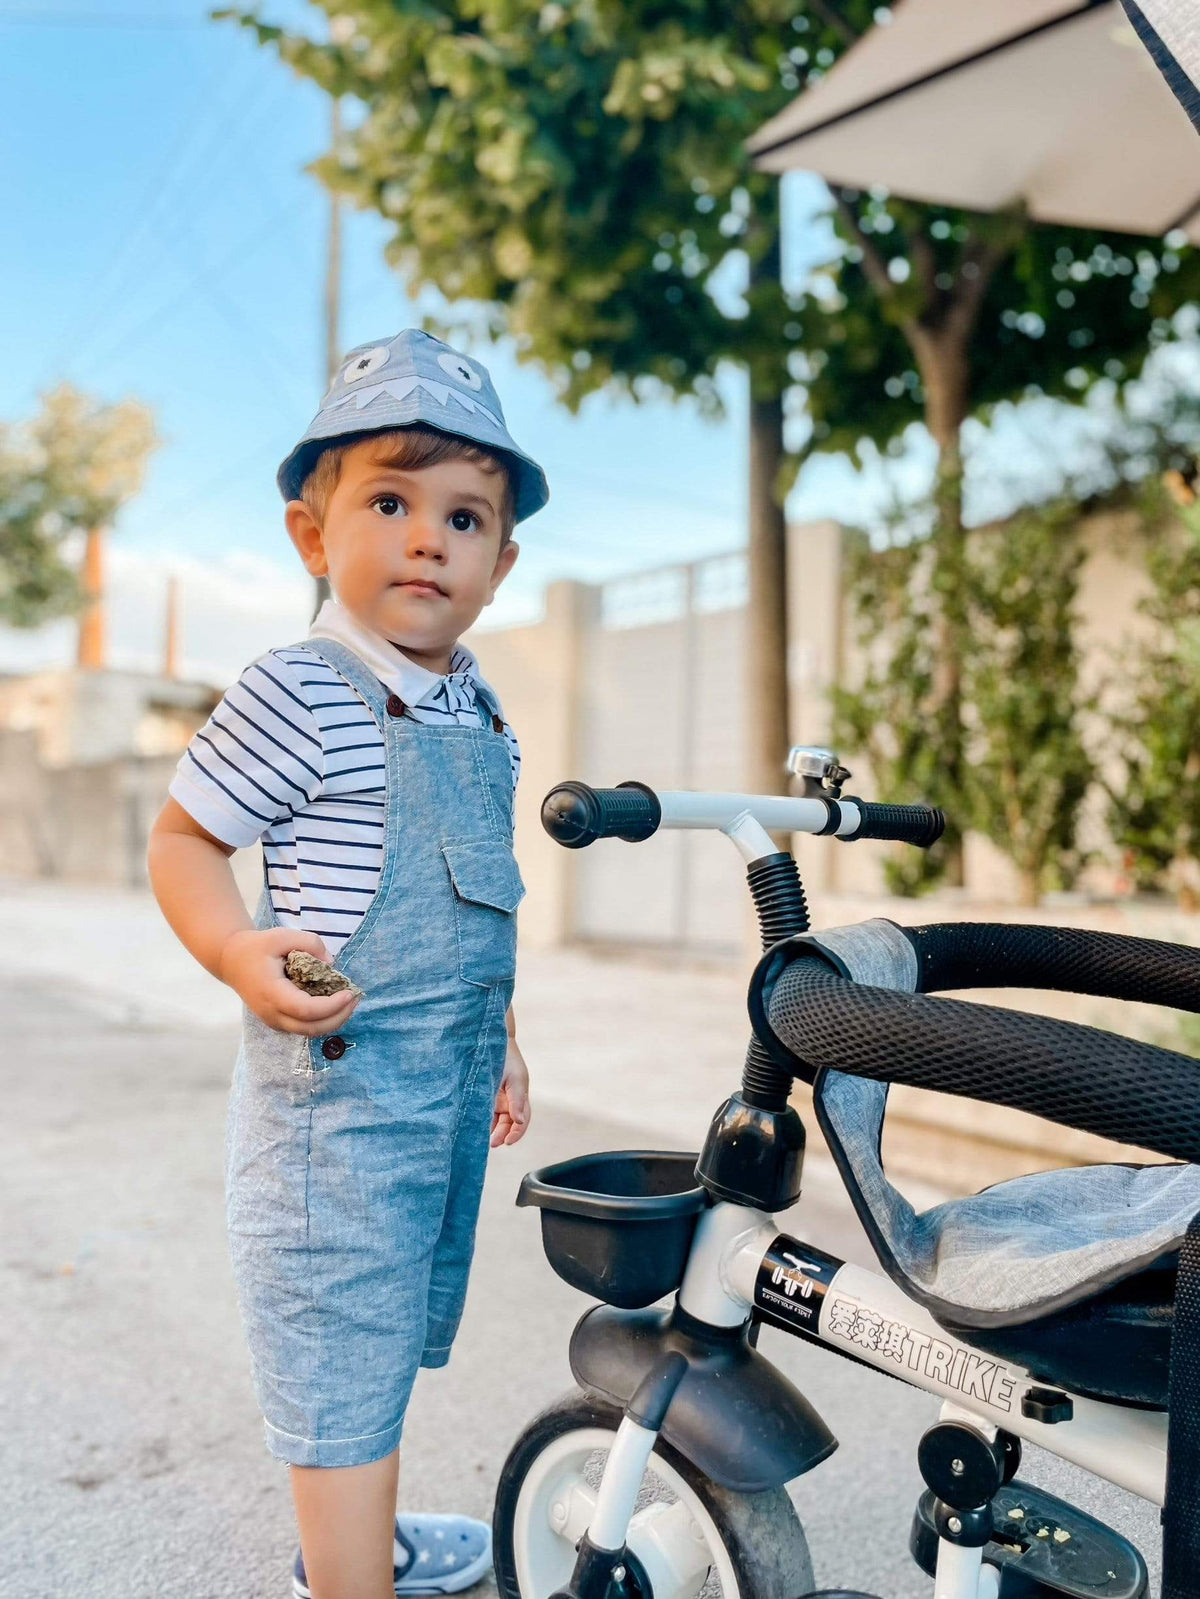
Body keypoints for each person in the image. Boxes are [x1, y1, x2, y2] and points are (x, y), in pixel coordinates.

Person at [147, 328, 549, 1599]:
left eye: (466, 516)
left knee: (377, 1347)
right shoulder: (301, 688)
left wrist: (505, 1033)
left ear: (503, 561)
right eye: (390, 500)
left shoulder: (474, 703)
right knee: (338, 1350)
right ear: (313, 534)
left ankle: (359, 1545)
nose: (430, 537)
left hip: (437, 1088)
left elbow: (477, 898)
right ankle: (348, 1582)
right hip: (337, 1108)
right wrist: (230, 944)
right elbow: (183, 837)